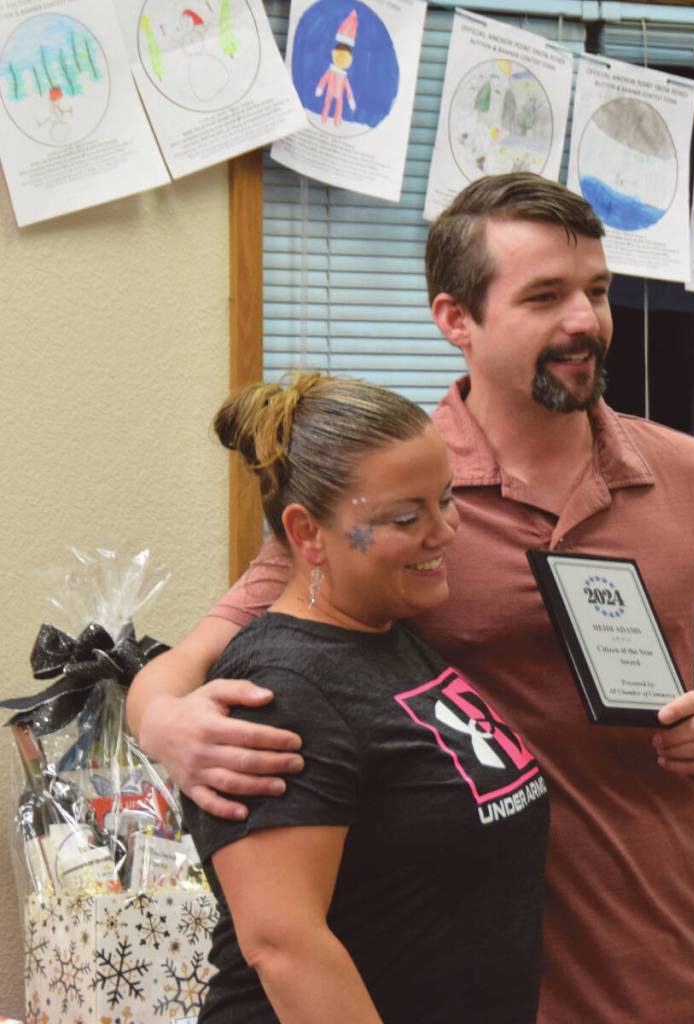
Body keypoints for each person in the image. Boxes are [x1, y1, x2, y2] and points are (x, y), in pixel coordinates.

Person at [127, 173, 694, 1024]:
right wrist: (164, 726)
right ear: (455, 320)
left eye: (597, 291)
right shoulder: (392, 498)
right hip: (474, 991)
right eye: (545, 296)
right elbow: (201, 659)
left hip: (677, 978)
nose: (585, 320)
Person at [175, 373, 549, 1024]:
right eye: (406, 517)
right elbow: (284, 944)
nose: (445, 532)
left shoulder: (390, 634)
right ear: (309, 534)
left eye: (447, 499)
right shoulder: (282, 687)